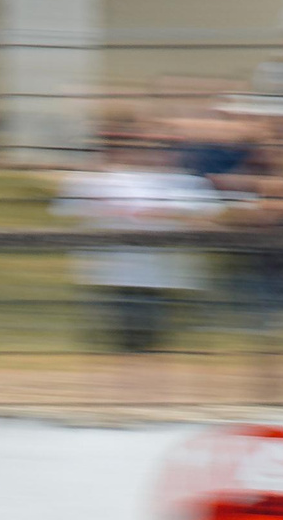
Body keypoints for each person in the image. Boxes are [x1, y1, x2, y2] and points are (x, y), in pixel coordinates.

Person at [53, 128, 224, 353]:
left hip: (163, 277)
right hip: (110, 275)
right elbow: (69, 207)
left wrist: (157, 213)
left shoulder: (186, 183)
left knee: (151, 343)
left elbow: (210, 214)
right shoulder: (100, 180)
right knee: (114, 343)